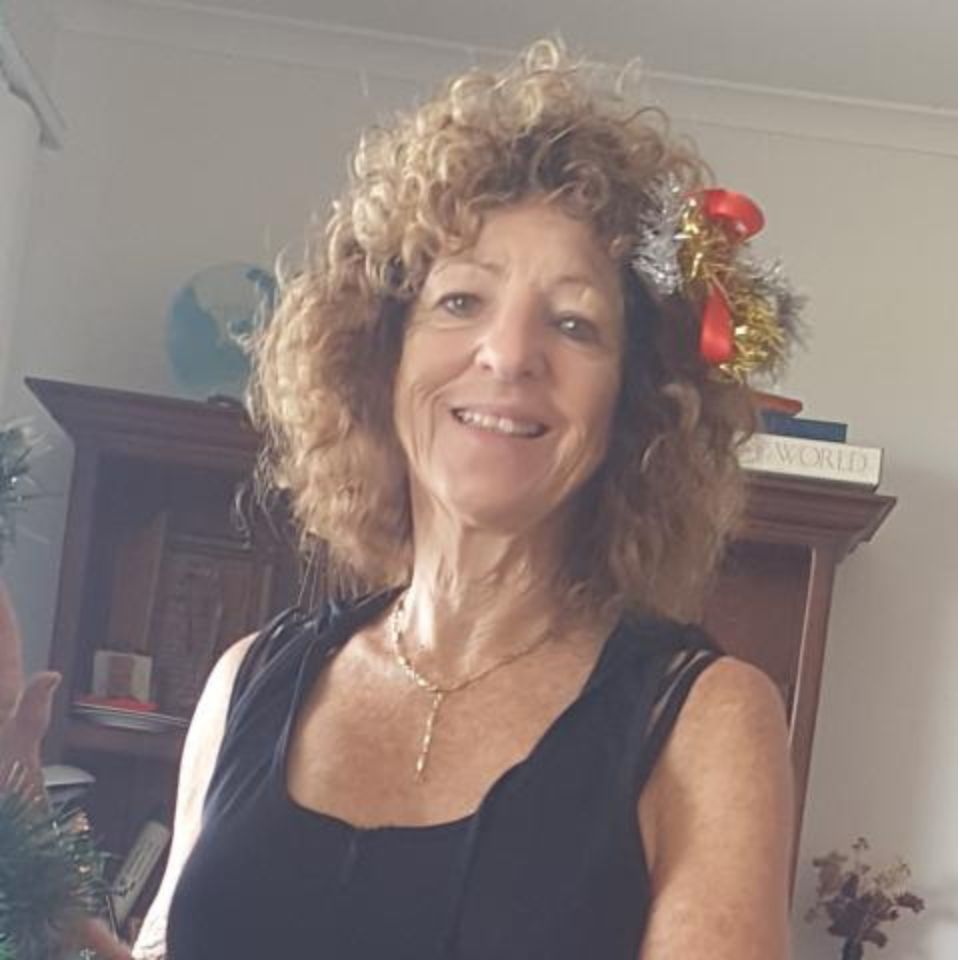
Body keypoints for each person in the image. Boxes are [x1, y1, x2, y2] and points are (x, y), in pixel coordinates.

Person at [127, 37, 794, 958]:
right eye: (460, 302)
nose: (510, 354)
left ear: (635, 405)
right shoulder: (246, 681)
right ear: (379, 352)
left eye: (573, 322)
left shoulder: (706, 721)